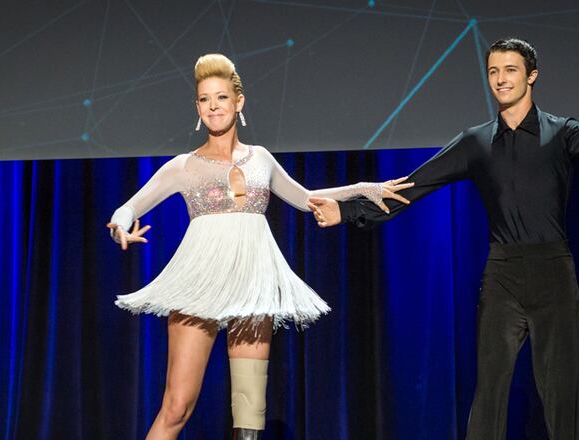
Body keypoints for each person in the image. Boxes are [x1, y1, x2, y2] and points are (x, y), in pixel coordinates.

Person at [308, 38, 579, 440]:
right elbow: (414, 185)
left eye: (510, 70)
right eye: (493, 72)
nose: (500, 79)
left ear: (532, 76)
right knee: (489, 392)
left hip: (553, 274)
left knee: (564, 392)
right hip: (502, 276)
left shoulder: (561, 132)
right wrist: (346, 211)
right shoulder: (476, 142)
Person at [105, 53, 412, 440]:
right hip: (198, 285)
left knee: (249, 417)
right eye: (204, 99)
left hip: (251, 287)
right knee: (177, 406)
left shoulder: (261, 159)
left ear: (239, 102)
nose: (213, 106)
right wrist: (119, 227)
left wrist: (363, 188)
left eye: (221, 97)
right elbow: (129, 207)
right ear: (197, 108)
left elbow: (306, 199)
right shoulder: (184, 166)